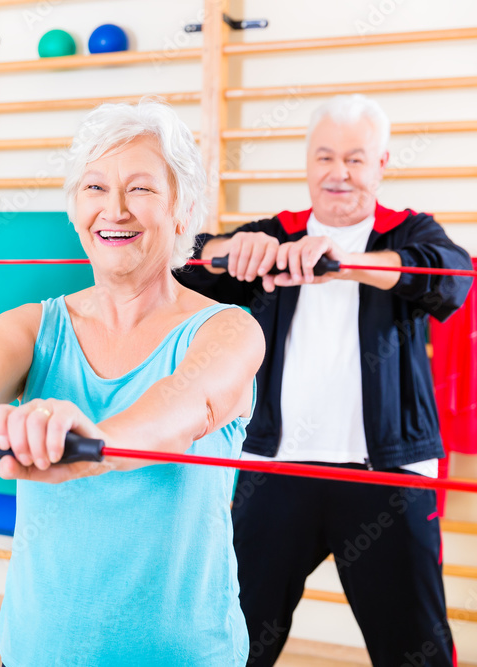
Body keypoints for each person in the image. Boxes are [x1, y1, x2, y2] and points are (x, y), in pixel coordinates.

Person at [0, 98, 265, 665]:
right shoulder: (32, 326)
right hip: (40, 651)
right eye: (94, 189)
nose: (114, 209)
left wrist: (97, 445)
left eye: (140, 189)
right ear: (74, 209)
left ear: (183, 211)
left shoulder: (228, 330)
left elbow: (183, 405)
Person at [176, 94, 471, 666]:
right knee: (233, 639)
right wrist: (228, 249)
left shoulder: (408, 233)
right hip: (274, 472)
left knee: (415, 649)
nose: (339, 173)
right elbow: (182, 266)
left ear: (382, 164)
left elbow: (449, 278)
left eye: (356, 160)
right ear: (308, 163)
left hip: (389, 476)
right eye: (325, 157)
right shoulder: (275, 236)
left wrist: (344, 261)